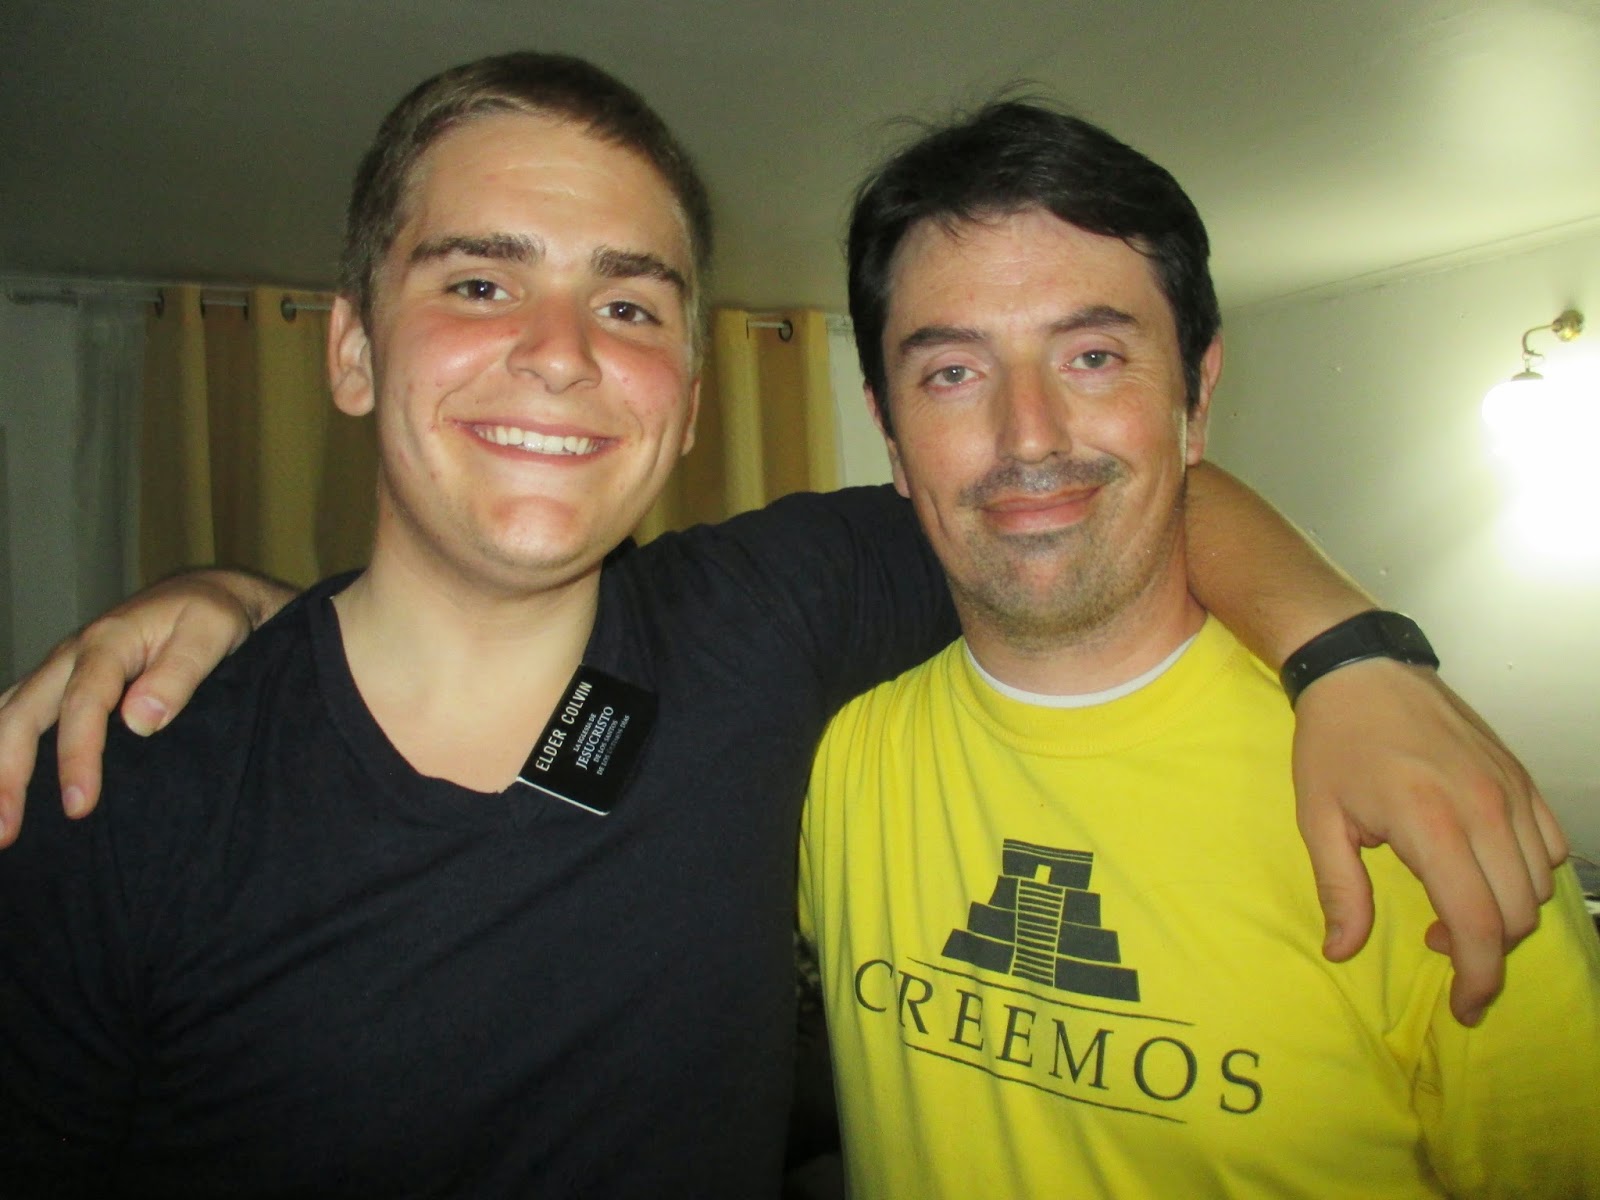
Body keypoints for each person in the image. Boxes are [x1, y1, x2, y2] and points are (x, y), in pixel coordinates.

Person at [0, 49, 1564, 1196]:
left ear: (687, 400)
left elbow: (1076, 499)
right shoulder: (117, 787)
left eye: (629, 304)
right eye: (479, 284)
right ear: (350, 350)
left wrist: (1352, 657)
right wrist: (238, 607)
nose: (561, 352)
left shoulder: (774, 626)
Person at [799, 100, 1600, 1198]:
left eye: (1092, 356)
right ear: (890, 433)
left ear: (1196, 397)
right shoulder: (833, 760)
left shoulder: (1427, 814)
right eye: (952, 373)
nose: (1027, 434)